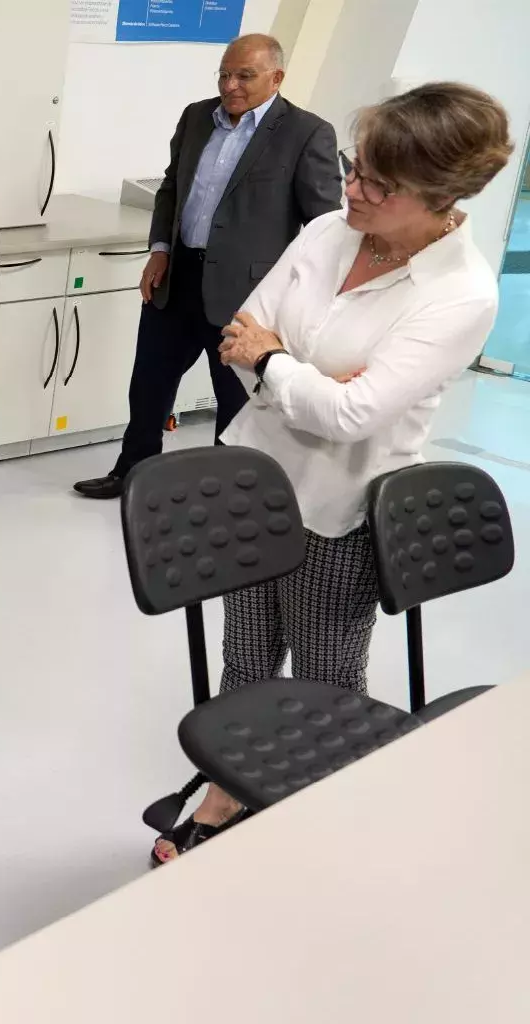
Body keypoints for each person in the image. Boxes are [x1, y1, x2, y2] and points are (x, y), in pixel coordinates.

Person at [153, 82, 511, 865]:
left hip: (339, 508)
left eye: (379, 184)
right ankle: (228, 790)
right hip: (252, 482)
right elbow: (239, 331)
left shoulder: (461, 294)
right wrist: (302, 378)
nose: (353, 188)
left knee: (326, 673)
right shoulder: (325, 230)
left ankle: (310, 822)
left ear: (442, 196)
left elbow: (351, 416)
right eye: (357, 168)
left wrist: (279, 359)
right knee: (245, 655)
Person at [75, 34, 340, 500]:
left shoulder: (306, 133)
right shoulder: (197, 116)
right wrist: (159, 249)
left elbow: (323, 226)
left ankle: (224, 493)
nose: (230, 84)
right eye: (224, 73)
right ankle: (133, 472)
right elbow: (171, 189)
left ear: (276, 78)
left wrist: (296, 297)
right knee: (149, 383)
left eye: (244, 76)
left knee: (235, 400)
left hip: (246, 296)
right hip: (177, 277)